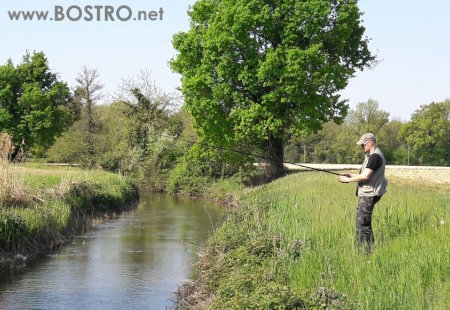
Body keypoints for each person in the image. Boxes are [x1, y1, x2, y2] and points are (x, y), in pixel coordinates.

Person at [339, 133, 388, 254]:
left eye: (363, 144)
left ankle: (365, 252)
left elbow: (365, 176)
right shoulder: (372, 155)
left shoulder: (374, 157)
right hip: (369, 192)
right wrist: (351, 175)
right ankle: (369, 248)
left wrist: (347, 180)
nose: (362, 146)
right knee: (364, 222)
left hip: (369, 194)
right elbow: (367, 174)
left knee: (362, 223)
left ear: (370, 142)